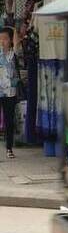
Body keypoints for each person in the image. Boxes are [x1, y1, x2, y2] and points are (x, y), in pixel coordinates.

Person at [0, 27, 20, 159]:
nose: (2, 41)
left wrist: (14, 29)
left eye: (5, 38)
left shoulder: (14, 54)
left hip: (10, 92)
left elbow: (17, 41)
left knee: (9, 120)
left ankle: (9, 148)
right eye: (0, 38)